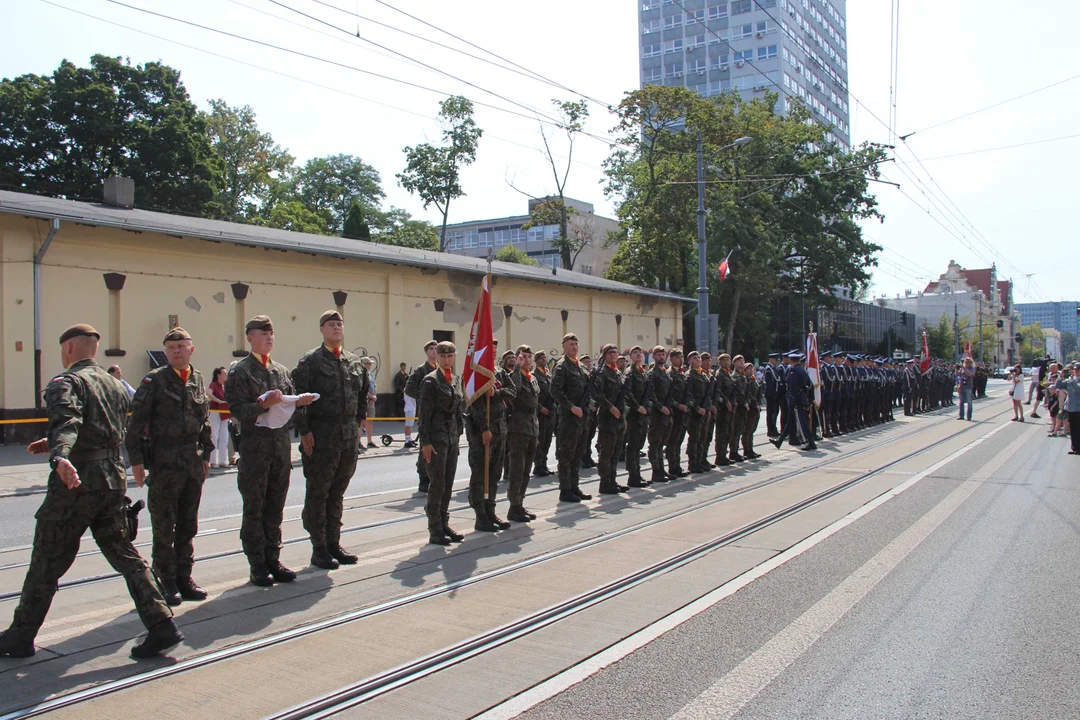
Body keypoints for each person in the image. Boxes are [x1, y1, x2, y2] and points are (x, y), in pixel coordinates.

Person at [0, 324, 180, 659]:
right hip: (111, 481)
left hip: (76, 485)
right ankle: (162, 624)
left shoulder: (65, 382)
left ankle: (20, 636)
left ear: (68, 348)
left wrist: (60, 455)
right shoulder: (116, 385)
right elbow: (104, 427)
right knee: (125, 555)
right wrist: (55, 443)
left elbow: (69, 421)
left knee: (46, 558)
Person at [125, 327, 213, 606]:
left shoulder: (197, 379)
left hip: (190, 463)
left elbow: (204, 421)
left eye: (181, 346)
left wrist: (206, 456)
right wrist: (137, 461)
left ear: (191, 349)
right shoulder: (154, 381)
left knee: (188, 525)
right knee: (164, 527)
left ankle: (185, 578)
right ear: (165, 352)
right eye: (171, 347)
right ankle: (166, 582)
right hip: (163, 462)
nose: (176, 351)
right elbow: (135, 423)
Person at [226, 315, 315, 586]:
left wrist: (300, 405)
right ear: (249, 337)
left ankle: (273, 558)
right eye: (262, 333)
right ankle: (257, 564)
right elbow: (237, 409)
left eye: (271, 333)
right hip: (255, 449)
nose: (268, 337)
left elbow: (287, 403)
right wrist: (262, 405)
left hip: (279, 448)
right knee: (255, 507)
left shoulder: (281, 371)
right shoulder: (239, 371)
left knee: (275, 507)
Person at [291, 311, 367, 570]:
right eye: (330, 325)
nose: (336, 328)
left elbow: (363, 395)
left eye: (339, 324)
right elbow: (299, 399)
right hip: (321, 437)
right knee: (318, 492)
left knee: (337, 492)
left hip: (347, 438)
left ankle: (334, 542)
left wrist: (358, 425)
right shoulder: (310, 361)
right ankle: (319, 547)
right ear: (321, 330)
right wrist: (304, 431)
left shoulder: (354, 362)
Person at [419, 341, 465, 545]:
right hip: (436, 439)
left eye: (450, 356)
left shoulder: (455, 380)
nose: (446, 360)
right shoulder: (430, 381)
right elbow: (424, 414)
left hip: (451, 437)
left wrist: (459, 434)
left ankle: (444, 522)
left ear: (454, 356)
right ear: (437, 357)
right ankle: (434, 528)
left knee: (448, 484)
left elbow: (457, 410)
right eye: (442, 356)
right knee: (437, 484)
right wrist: (425, 442)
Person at [464, 349, 515, 533]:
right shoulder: (475, 373)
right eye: (489, 350)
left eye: (494, 351)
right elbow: (474, 403)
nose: (492, 353)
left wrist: (497, 392)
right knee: (480, 474)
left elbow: (512, 391)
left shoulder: (500, 372)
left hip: (500, 429)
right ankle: (480, 515)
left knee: (494, 473)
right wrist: (484, 429)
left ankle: (490, 511)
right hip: (482, 432)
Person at [550, 333, 594, 503]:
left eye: (576, 343)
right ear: (564, 346)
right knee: (566, 454)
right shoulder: (561, 366)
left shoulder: (581, 367)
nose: (574, 347)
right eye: (570, 344)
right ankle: (565, 489)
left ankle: (575, 486)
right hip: (569, 418)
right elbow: (556, 391)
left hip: (583, 417)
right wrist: (571, 407)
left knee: (578, 453)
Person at [506, 345, 540, 522]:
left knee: (527, 469)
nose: (527, 359)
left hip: (531, 427)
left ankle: (520, 502)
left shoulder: (533, 378)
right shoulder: (514, 376)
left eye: (529, 356)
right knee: (517, 469)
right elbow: (515, 391)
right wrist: (517, 368)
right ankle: (514, 506)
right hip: (518, 428)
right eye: (523, 356)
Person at [594, 343, 628, 494]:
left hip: (619, 417)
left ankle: (612, 479)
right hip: (607, 417)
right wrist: (610, 407)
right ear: (604, 356)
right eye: (610, 353)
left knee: (616, 450)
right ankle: (605, 482)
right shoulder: (601, 373)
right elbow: (597, 394)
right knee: (606, 451)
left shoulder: (618, 373)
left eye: (615, 352)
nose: (613, 355)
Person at [404, 341, 438, 486]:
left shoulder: (442, 369)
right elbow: (409, 389)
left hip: (439, 414)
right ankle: (423, 478)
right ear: (426, 352)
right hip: (426, 412)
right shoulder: (421, 370)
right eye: (431, 349)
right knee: (425, 444)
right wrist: (423, 397)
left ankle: (434, 477)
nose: (434, 351)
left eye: (436, 349)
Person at [772, 353, 816, 452]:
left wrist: (792, 401)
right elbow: (809, 384)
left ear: (791, 361)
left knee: (802, 422)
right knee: (789, 421)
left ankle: (810, 442)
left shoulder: (793, 371)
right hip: (801, 398)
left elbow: (792, 388)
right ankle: (779, 441)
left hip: (796, 400)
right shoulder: (802, 370)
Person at [623, 346, 653, 487]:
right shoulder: (630, 373)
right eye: (635, 353)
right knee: (633, 446)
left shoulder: (643, 373)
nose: (639, 355)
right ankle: (632, 475)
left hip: (643, 414)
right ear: (631, 357)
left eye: (640, 352)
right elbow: (627, 394)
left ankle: (638, 473)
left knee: (639, 445)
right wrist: (637, 407)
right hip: (634, 414)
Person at [646, 346, 673, 484]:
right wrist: (660, 407)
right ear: (653, 357)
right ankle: (656, 471)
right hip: (657, 413)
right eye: (658, 355)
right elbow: (650, 395)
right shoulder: (652, 374)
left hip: (667, 412)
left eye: (663, 354)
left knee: (662, 443)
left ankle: (662, 469)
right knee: (655, 443)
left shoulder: (666, 373)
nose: (661, 357)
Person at [664, 349, 690, 478]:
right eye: (678, 357)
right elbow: (668, 396)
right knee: (672, 441)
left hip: (682, 412)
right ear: (672, 359)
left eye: (682, 357)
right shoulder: (670, 374)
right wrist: (678, 405)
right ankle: (673, 467)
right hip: (674, 412)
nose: (681, 359)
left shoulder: (682, 374)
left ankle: (677, 465)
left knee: (678, 440)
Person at [684, 351, 710, 474]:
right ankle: (693, 463)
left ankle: (700, 460)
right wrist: (697, 408)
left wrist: (707, 408)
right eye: (695, 358)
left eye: (699, 357)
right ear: (689, 361)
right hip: (694, 412)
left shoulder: (704, 375)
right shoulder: (689, 375)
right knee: (695, 438)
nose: (698, 359)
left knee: (703, 437)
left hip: (704, 410)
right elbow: (688, 395)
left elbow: (707, 394)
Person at [532, 351, 556, 477]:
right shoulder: (534, 375)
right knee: (540, 440)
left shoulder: (548, 373)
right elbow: (533, 395)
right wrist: (540, 408)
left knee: (547, 439)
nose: (543, 360)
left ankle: (544, 464)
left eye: (544, 357)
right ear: (536, 361)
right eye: (540, 358)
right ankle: (538, 465)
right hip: (541, 412)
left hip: (550, 411)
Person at [208, 367, 232, 468]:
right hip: (215, 412)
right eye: (224, 374)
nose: (225, 375)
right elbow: (208, 394)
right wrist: (219, 401)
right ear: (218, 375)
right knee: (214, 435)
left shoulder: (225, 386)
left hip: (224, 413)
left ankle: (223, 460)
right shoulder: (213, 385)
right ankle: (213, 461)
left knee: (224, 437)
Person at [1056, 363, 1080, 455]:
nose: (1076, 371)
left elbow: (1078, 389)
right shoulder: (1070, 380)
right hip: (1071, 408)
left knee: (1078, 428)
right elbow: (1060, 386)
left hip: (1078, 408)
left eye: (1078, 369)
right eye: (1075, 369)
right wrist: (1060, 376)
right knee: (1073, 428)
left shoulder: (1073, 381)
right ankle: (1074, 447)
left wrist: (1072, 381)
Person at [741, 362, 763, 459]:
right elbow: (749, 394)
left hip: (755, 407)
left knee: (752, 429)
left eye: (751, 369)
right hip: (751, 407)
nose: (751, 371)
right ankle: (747, 449)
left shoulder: (753, 379)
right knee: (748, 429)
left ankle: (750, 448)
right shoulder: (747, 380)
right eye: (748, 369)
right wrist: (755, 404)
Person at [362, 357, 378, 449]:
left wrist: (374, 396)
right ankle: (359, 442)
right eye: (368, 363)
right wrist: (371, 396)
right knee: (361, 422)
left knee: (370, 421)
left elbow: (374, 385)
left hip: (371, 400)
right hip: (364, 400)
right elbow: (362, 390)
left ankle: (369, 441)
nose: (370, 365)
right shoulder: (361, 375)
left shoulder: (370, 374)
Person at [956, 357, 975, 421]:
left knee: (969, 402)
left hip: (968, 387)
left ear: (970, 363)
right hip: (961, 386)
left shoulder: (972, 369)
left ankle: (969, 416)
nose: (966, 363)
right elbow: (957, 375)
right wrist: (956, 368)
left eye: (967, 362)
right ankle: (961, 415)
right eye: (965, 362)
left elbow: (970, 374)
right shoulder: (962, 369)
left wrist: (964, 368)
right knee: (961, 402)